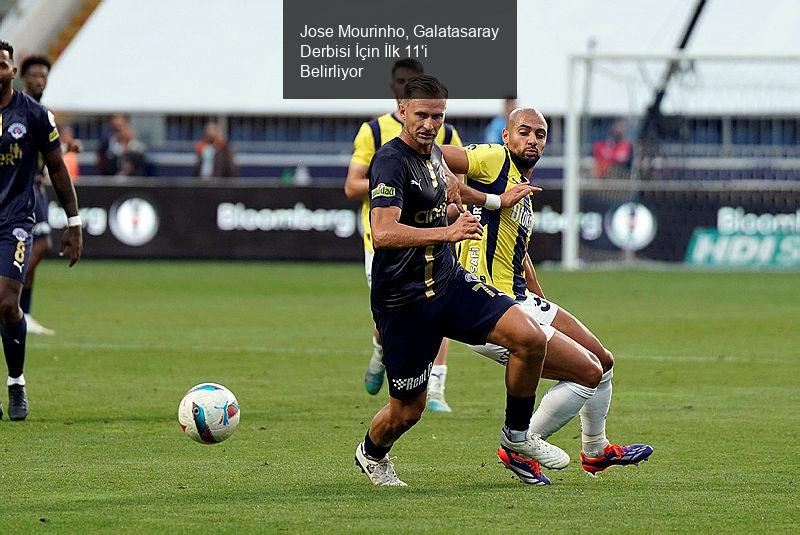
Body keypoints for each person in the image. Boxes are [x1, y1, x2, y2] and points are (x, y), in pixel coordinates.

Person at [354, 76, 568, 487]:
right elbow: (383, 232)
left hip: (450, 283)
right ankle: (371, 453)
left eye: (437, 116)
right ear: (403, 111)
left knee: (530, 339)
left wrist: (492, 203)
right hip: (405, 301)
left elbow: (454, 196)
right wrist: (447, 233)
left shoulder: (435, 156)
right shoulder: (391, 161)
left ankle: (518, 436)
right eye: (421, 115)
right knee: (408, 410)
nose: (429, 124)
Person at [442, 108, 653, 476]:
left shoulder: (523, 184)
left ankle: (596, 449)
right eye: (524, 132)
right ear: (506, 136)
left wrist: (541, 299)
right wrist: (490, 200)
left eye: (540, 134)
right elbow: (435, 155)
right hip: (488, 306)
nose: (532, 140)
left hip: (522, 298)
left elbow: (518, 252)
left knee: (603, 362)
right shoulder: (494, 159)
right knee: (586, 373)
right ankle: (520, 445)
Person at [344, 59, 463, 412]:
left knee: (438, 308)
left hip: (437, 239)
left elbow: (455, 188)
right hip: (386, 243)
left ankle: (437, 388)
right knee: (391, 317)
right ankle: (381, 351)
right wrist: (398, 186)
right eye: (400, 82)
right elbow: (352, 185)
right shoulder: (375, 132)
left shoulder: (446, 133)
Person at [0, 41, 83, 420]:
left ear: (11, 71)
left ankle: (16, 382)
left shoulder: (34, 115)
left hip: (14, 220)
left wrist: (74, 222)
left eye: (2, 65)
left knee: (5, 302)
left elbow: (57, 167)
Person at [18, 55, 57, 335]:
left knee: (38, 246)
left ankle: (22, 311)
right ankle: (13, 304)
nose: (40, 80)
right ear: (23, 78)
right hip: (23, 185)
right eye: (35, 75)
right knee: (38, 245)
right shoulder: (17, 109)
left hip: (36, 183)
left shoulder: (41, 111)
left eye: (44, 75)